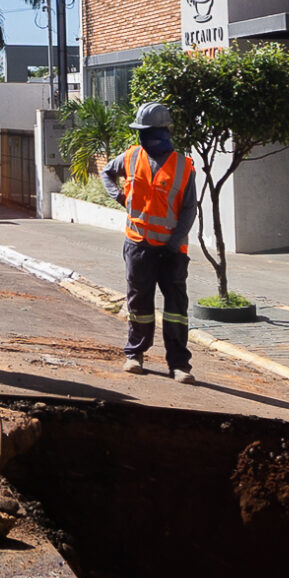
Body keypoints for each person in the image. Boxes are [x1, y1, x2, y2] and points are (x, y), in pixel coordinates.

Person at [104, 101, 198, 383]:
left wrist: (174, 241)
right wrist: (118, 196)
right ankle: (135, 354)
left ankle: (179, 365)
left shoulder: (184, 166)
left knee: (176, 309)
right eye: (141, 132)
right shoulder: (131, 156)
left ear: (164, 131)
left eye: (148, 132)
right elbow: (107, 172)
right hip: (138, 244)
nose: (144, 138)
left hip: (172, 250)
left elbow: (189, 209)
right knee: (139, 303)